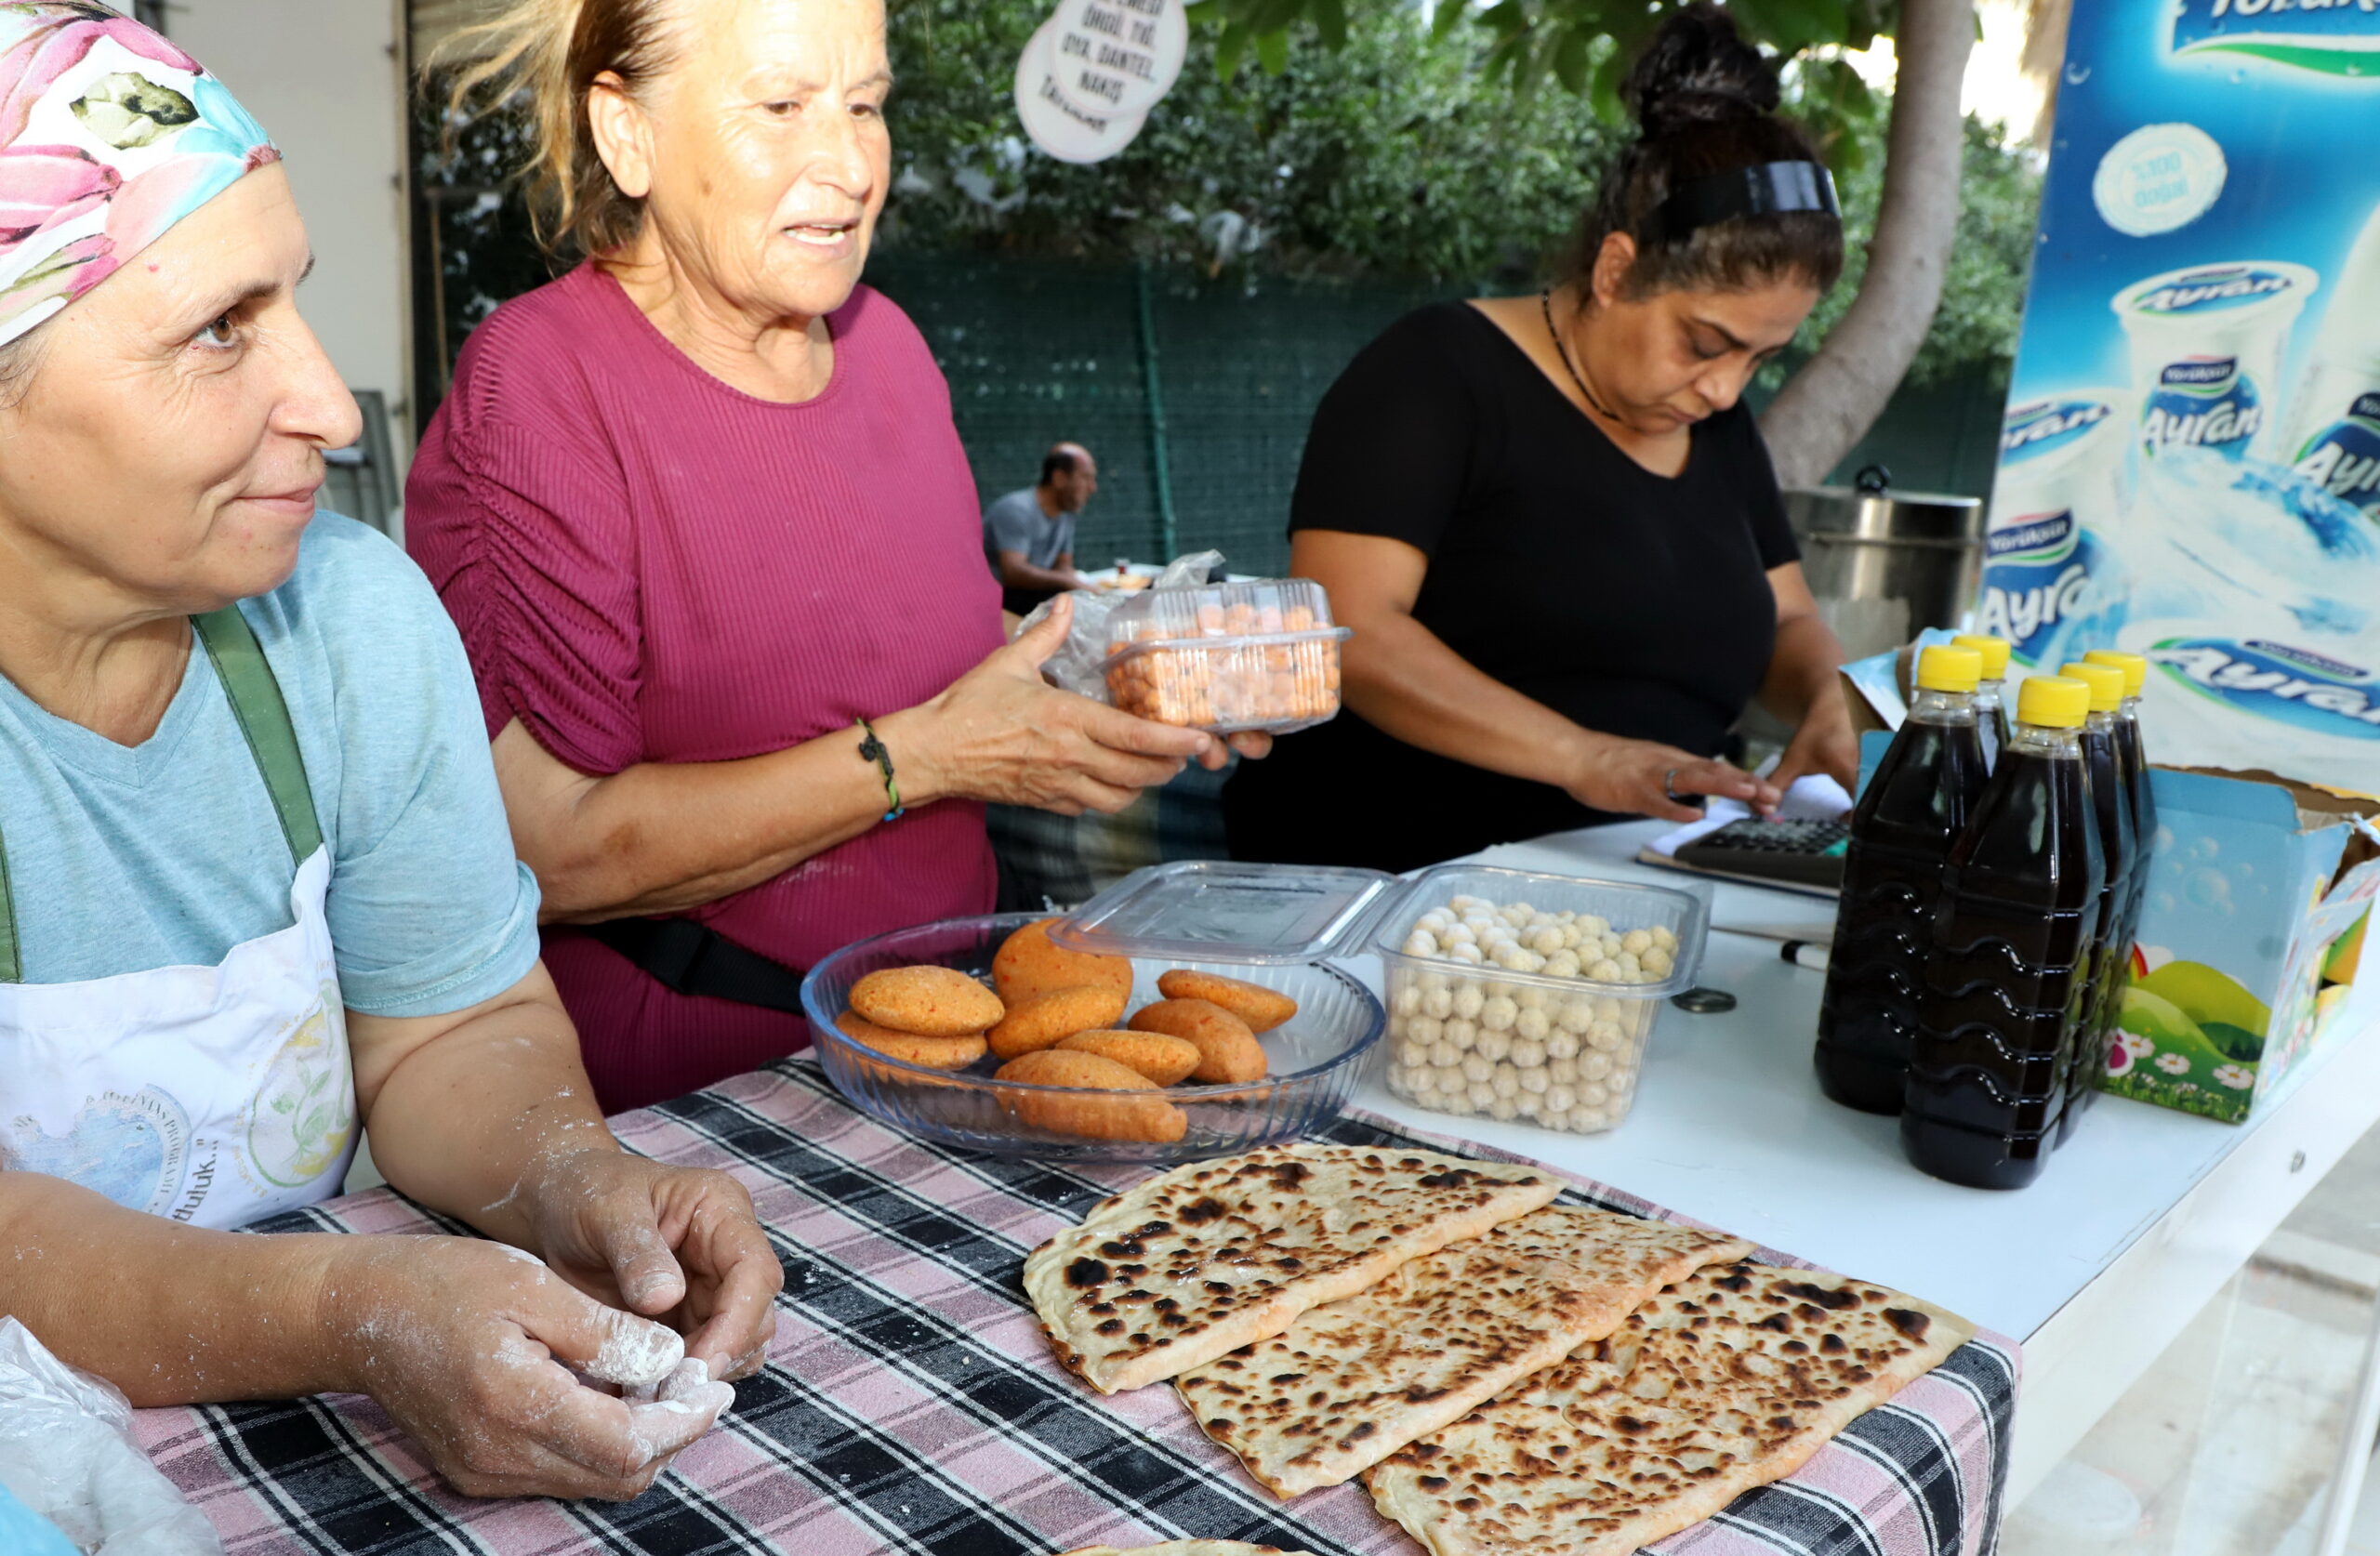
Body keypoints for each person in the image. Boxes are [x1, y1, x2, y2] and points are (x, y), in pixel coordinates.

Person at [0, 7, 775, 1503]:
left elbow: (447, 1031)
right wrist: (348, 1314)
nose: (324, 398)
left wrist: (575, 1180)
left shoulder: (346, 619)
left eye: (290, 300)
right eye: (218, 330)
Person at [405, 0, 1265, 1114]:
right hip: (713, 1091)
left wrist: (1124, 678)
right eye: (780, 105)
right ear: (628, 134)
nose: (850, 164)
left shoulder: (892, 348)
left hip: (960, 1045)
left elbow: (913, 659)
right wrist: (928, 760)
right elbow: (550, 848)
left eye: (865, 105)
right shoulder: (541, 383)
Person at [1225, 4, 1858, 874]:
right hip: (1393, 879)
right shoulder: (1436, 373)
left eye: (1762, 359)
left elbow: (1786, 614)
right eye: (1706, 344)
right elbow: (1348, 626)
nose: (1723, 388)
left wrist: (1829, 692)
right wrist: (1582, 757)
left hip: (1647, 878)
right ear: (1616, 270)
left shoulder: (1718, 426)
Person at [984, 442, 1097, 614]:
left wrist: (1079, 583)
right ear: (1059, 478)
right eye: (1085, 478)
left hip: (1035, 599)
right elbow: (1013, 573)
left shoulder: (1066, 514)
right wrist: (1067, 581)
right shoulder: (1016, 509)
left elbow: (1063, 565)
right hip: (1002, 604)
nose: (1092, 488)